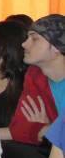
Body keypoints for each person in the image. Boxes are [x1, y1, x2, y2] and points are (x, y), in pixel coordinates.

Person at [10, 14, 65, 143]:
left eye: (34, 39)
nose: (24, 44)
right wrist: (47, 129)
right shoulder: (35, 75)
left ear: (56, 47)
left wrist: (49, 129)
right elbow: (18, 129)